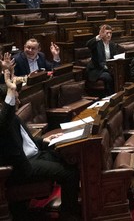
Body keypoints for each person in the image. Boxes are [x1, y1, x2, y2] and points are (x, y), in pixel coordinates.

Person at [0, 64, 81, 219]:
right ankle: (69, 215)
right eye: (15, 97)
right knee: (69, 174)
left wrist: (44, 140)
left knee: (67, 157)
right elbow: (4, 123)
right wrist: (10, 91)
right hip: (22, 167)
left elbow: (25, 139)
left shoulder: (11, 116)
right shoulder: (4, 119)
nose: (18, 99)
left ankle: (74, 204)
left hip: (34, 155)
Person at [86, 24, 122, 95]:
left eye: (110, 33)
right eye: (107, 33)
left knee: (119, 74)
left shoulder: (112, 44)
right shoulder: (97, 43)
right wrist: (99, 37)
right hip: (96, 70)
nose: (109, 35)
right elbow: (88, 44)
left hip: (108, 68)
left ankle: (118, 94)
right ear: (102, 34)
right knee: (107, 76)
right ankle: (109, 96)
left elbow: (115, 57)